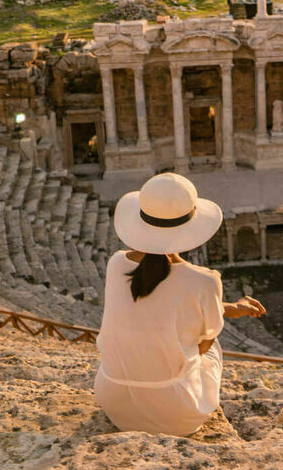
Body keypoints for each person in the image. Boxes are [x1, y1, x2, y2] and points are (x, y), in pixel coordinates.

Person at [94, 173, 266, 436]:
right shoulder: (205, 281)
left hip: (115, 404)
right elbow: (201, 343)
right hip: (176, 414)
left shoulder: (116, 263)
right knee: (212, 344)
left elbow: (160, 304)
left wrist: (231, 307)